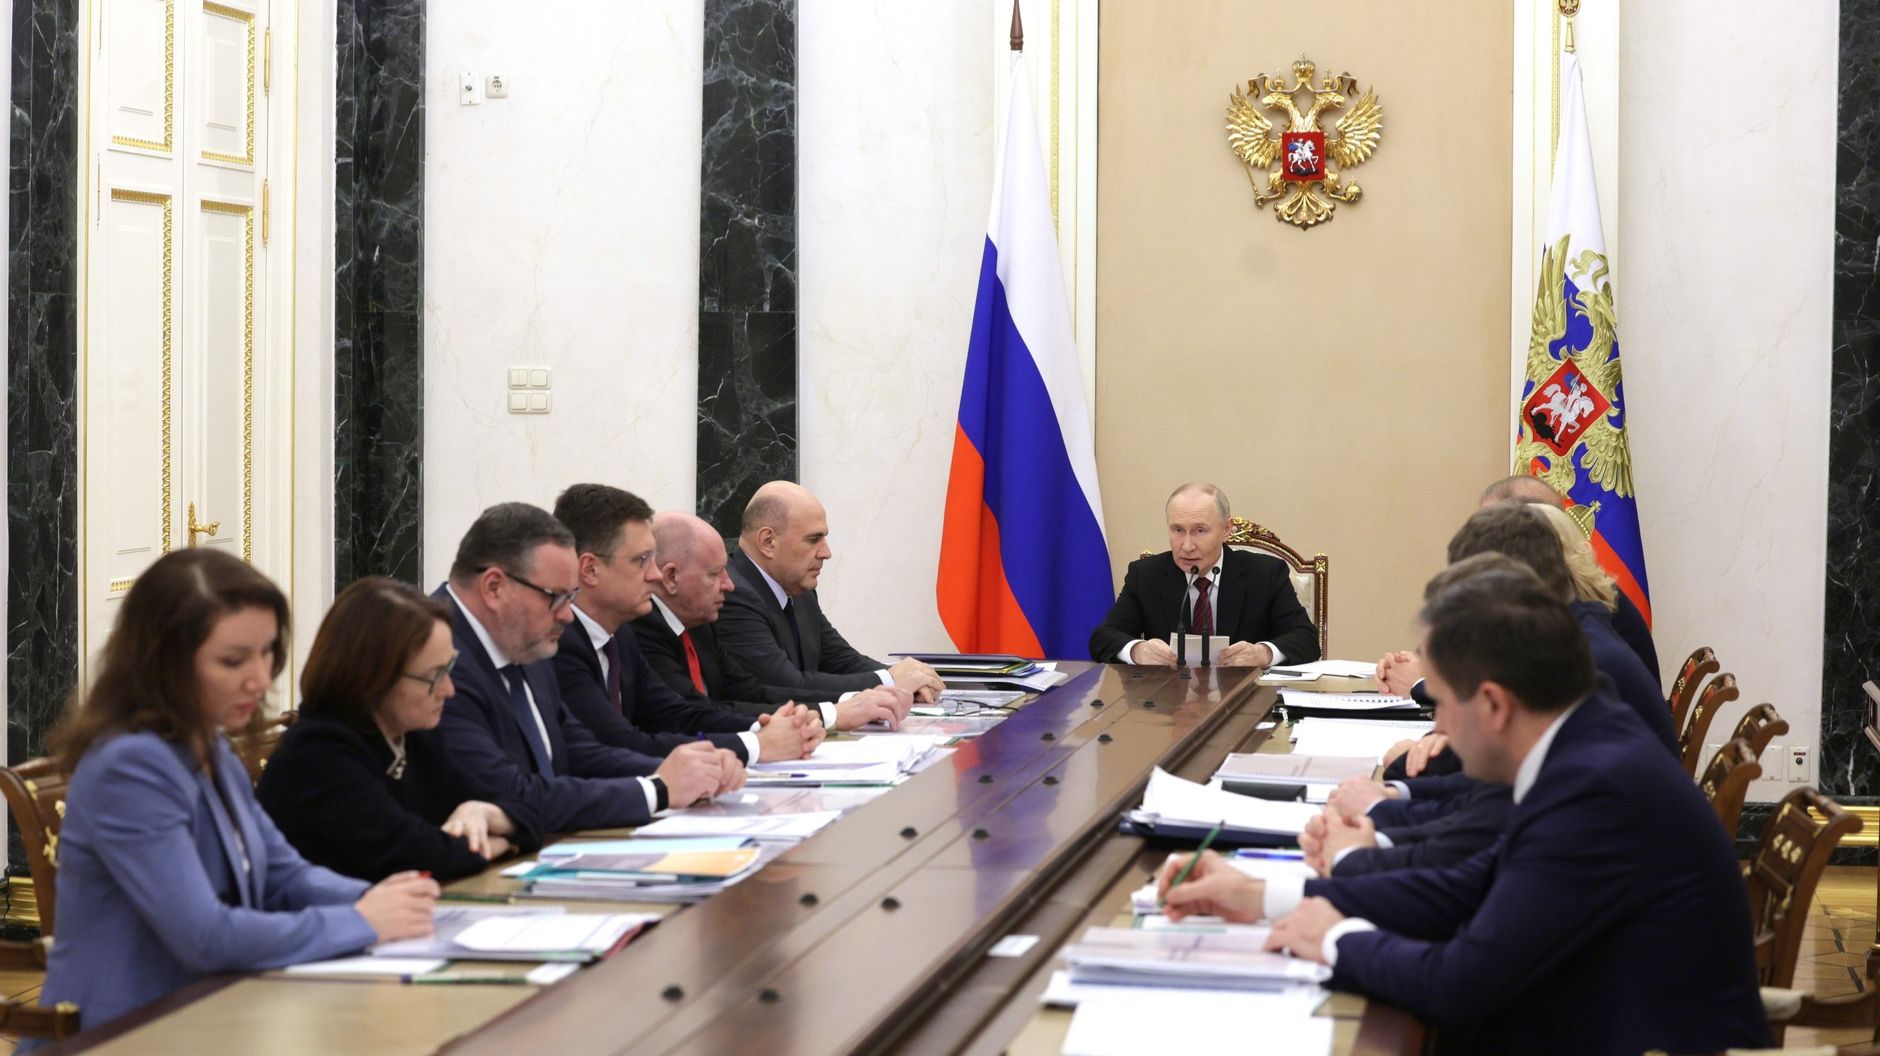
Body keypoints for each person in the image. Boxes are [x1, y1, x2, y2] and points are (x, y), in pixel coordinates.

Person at [1155, 563, 1770, 1054]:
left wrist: (1335, 939)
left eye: (1442, 704)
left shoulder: (1594, 788)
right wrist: (1259, 896)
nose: (1438, 728)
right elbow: (1467, 889)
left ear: (1495, 705)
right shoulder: (1579, 738)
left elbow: (1459, 982)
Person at [35, 550, 439, 1038]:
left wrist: (383, 899)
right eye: (233, 660)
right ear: (163, 662)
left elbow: (283, 874)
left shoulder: (211, 747)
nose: (261, 679)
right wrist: (363, 921)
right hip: (127, 1034)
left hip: (212, 1013)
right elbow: (205, 937)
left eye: (267, 652)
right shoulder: (130, 767)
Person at [435, 503, 741, 833]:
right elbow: (506, 793)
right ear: (494, 587)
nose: (567, 615)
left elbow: (578, 751)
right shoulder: (437, 660)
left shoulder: (521, 640)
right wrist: (658, 790)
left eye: (570, 598)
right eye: (555, 598)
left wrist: (691, 771)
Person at [259, 577, 543, 882]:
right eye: (434, 676)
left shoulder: (413, 736)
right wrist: (497, 843)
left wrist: (484, 813)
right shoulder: (318, 753)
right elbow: (419, 854)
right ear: (373, 678)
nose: (449, 690)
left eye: (449, 669)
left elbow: (529, 814)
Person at [547, 484, 820, 764]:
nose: (655, 575)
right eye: (641, 561)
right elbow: (620, 743)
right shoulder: (560, 643)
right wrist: (757, 745)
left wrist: (767, 729)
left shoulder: (621, 636)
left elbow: (676, 714)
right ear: (590, 569)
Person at [632, 511, 913, 731]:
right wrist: (832, 714)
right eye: (715, 574)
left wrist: (850, 701)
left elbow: (750, 691)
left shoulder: (699, 624)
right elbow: (693, 713)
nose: (728, 585)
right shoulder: (640, 627)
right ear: (671, 577)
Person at [719, 481, 945, 700]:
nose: (826, 553)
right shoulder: (731, 594)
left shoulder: (801, 592)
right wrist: (891, 680)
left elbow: (843, 661)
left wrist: (910, 679)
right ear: (768, 541)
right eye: (813, 540)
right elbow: (783, 685)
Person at [1088, 482, 1318, 667]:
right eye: (1178, 530)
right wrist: (1137, 650)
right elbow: (1103, 638)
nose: (1187, 546)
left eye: (1200, 530)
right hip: (1169, 702)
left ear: (1226, 529)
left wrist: (1263, 654)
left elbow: (1306, 638)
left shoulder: (1265, 573)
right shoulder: (1146, 575)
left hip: (1243, 699)